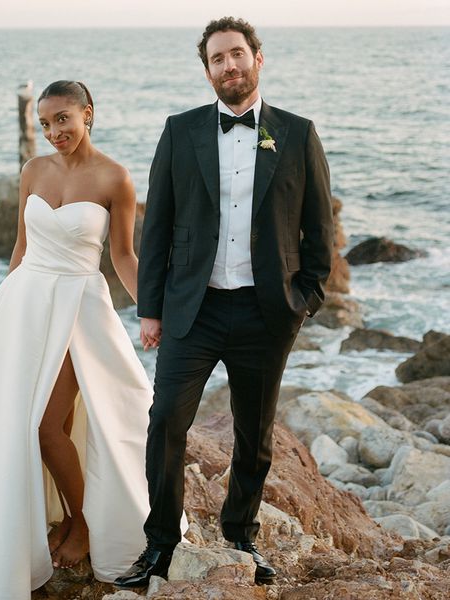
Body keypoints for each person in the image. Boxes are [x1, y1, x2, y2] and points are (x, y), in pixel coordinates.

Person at [0, 80, 172, 600]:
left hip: (77, 307)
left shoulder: (114, 177)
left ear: (87, 113)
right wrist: (0, 312)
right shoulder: (33, 170)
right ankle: (66, 518)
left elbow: (122, 257)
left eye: (63, 119)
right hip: (23, 305)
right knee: (32, 422)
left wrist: (154, 312)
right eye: (46, 123)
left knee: (48, 427)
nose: (54, 132)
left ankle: (88, 523)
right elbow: (21, 250)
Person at [115, 17, 334, 589]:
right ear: (207, 70)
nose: (228, 66)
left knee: (254, 434)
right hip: (195, 309)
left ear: (258, 59)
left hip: (266, 315)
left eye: (237, 54)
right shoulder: (180, 131)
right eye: (217, 59)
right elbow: (155, 226)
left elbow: (319, 232)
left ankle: (241, 536)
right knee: (165, 422)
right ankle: (161, 546)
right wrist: (152, 309)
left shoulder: (298, 134)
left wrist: (301, 303)